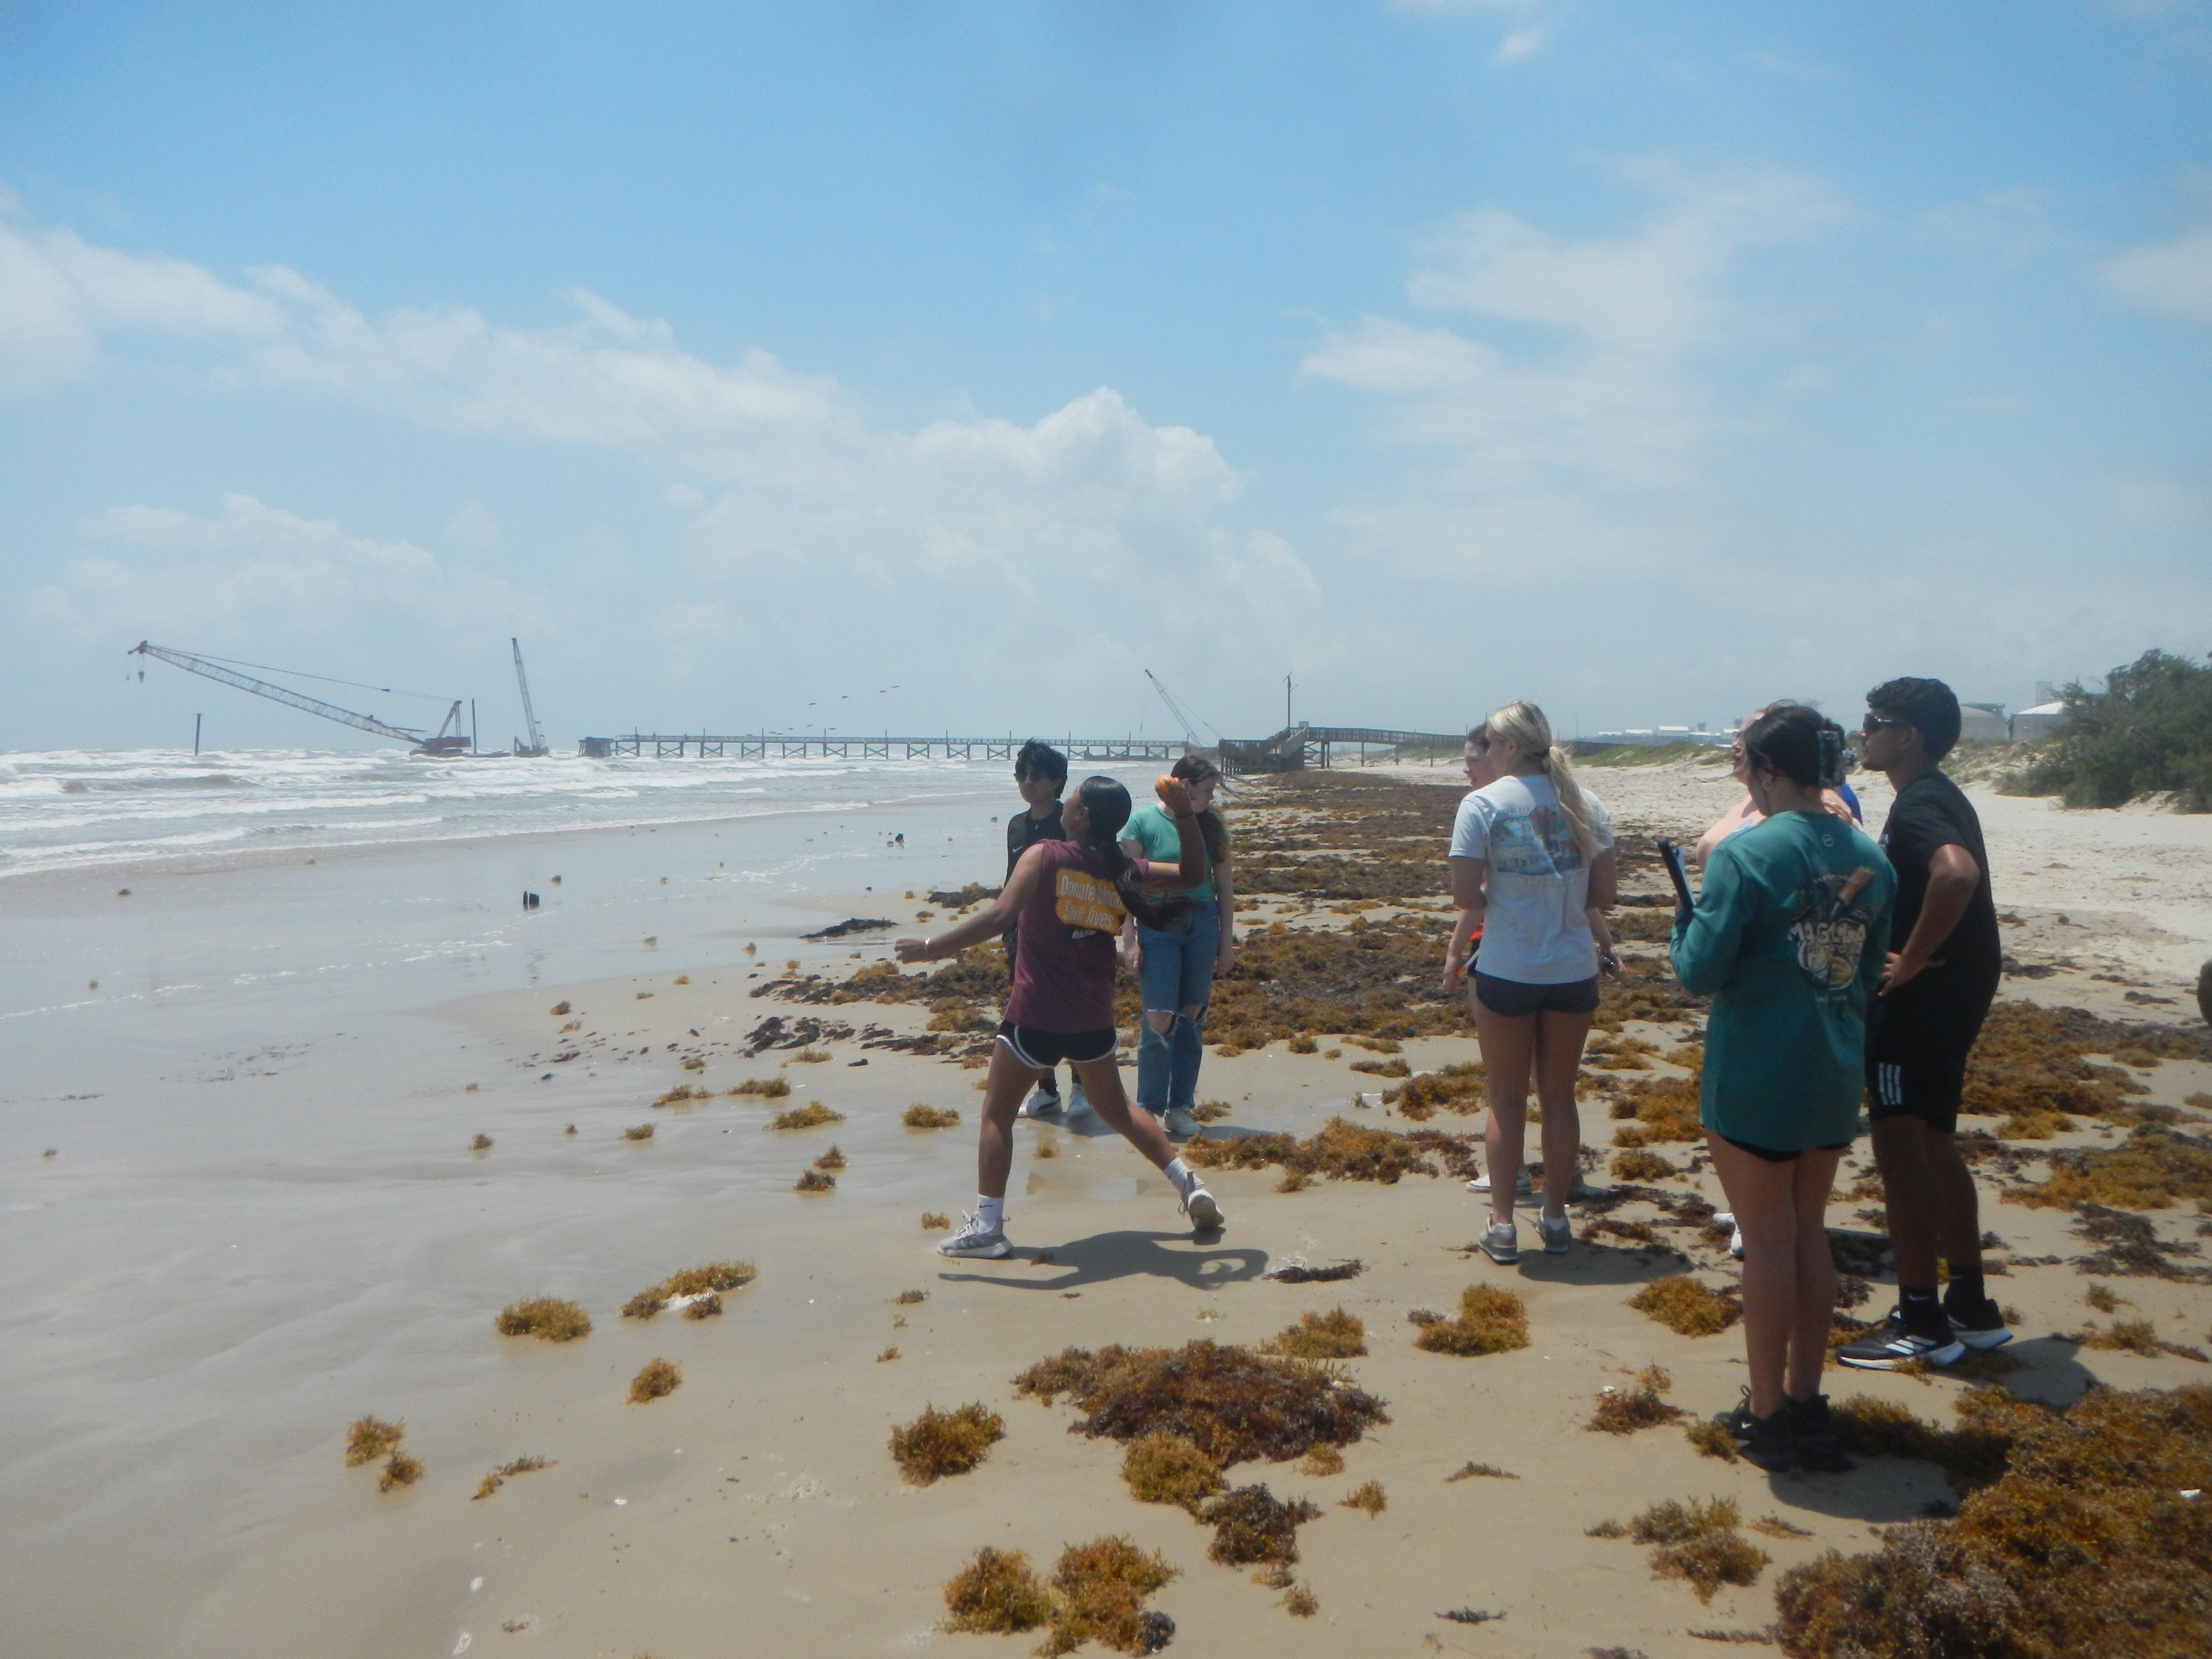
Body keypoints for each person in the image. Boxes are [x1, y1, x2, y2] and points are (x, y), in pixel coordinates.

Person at [1671, 705, 1896, 1470]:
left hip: (1757, 1071)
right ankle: (1806, 1398)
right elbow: (1867, 973)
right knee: (1808, 1231)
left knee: (1767, 1240)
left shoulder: (1746, 854)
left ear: (1766, 771)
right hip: (1832, 1067)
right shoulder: (1872, 856)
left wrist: (1682, 927)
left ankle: (1767, 1412)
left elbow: (1699, 971)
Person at [898, 775, 1225, 1259]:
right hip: (1092, 1018)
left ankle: (989, 1228)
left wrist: (931, 948)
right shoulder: (1126, 870)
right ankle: (1189, 1183)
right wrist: (1184, 815)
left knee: (997, 1115)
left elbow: (998, 917)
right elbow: (1196, 875)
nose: (1065, 806)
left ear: (1082, 815)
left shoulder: (1045, 855)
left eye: (1071, 801)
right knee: (1118, 1112)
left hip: (1035, 1015)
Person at [1839, 678, 2009, 1369]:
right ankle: (1970, 1305)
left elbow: (1957, 875)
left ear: (1908, 736)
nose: (1863, 734)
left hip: (1922, 1004)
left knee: (1900, 1149)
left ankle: (1921, 1320)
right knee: (1938, 1142)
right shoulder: (1937, 796)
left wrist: (1910, 959)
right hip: (1959, 996)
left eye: (1874, 724)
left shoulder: (1918, 807)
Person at [1443, 701, 1621, 1264]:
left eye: (1492, 744)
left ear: (1511, 748)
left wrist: (1513, 892)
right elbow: (1604, 896)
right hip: (1571, 969)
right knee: (1560, 1096)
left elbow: (1466, 896)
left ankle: (1502, 1224)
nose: (1487, 753)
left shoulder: (1481, 805)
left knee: (1505, 1098)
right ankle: (1556, 1215)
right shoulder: (1586, 803)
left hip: (1508, 967)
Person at [1119, 753, 1235, 1139]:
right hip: (1158, 924)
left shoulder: (1213, 827)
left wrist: (1225, 944)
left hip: (1202, 923)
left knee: (1192, 1018)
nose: (1211, 800)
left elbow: (1224, 887)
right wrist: (1130, 940)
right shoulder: (1142, 822)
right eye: (1206, 792)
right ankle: (1149, 1108)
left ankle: (1180, 1105)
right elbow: (1127, 888)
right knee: (1158, 1019)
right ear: (1181, 786)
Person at [1004, 740, 1085, 1120]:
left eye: (1035, 775)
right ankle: (1047, 1088)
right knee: (1031, 1012)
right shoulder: (1017, 826)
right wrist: (1007, 930)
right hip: (1023, 934)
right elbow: (1010, 881)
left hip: (1068, 930)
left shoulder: (1070, 823)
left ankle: (1082, 1087)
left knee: (1073, 1009)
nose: (1027, 782)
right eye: (1021, 774)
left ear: (1057, 781)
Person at [1693, 709, 1862, 871]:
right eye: (1738, 736)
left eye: (1747, 737)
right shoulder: (1751, 801)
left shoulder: (1823, 804)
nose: (1736, 745)